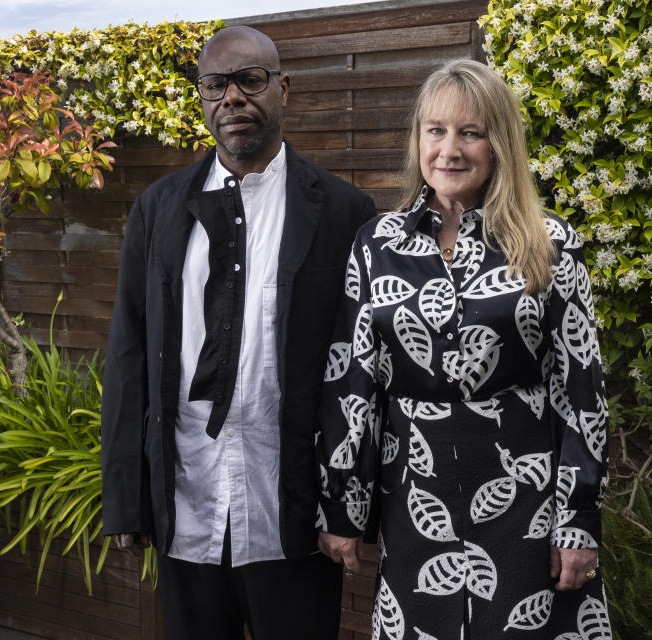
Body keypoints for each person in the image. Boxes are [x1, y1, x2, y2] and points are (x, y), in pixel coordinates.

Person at [316, 59, 612, 639]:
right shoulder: (377, 244)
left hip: (528, 504)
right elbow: (352, 383)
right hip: (415, 497)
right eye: (436, 130)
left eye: (470, 132)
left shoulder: (550, 243)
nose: (449, 149)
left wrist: (577, 523)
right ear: (418, 139)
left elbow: (582, 391)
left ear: (498, 142)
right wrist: (342, 510)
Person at [100, 25, 376, 640]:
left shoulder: (343, 212)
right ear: (202, 97)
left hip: (294, 511)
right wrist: (124, 496)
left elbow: (360, 372)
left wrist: (350, 504)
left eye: (250, 81)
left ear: (284, 90)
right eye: (216, 85)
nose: (233, 98)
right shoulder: (157, 209)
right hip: (186, 499)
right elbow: (128, 353)